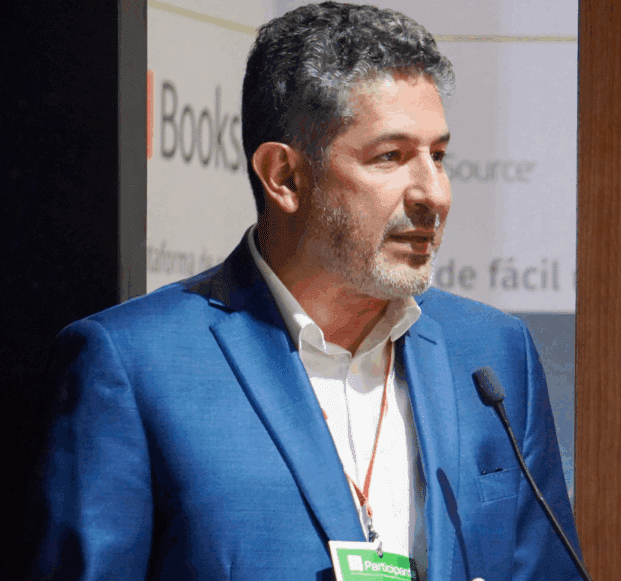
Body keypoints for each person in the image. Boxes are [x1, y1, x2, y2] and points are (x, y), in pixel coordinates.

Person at [29, 3, 582, 580]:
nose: (434, 194)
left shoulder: (493, 355)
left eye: (437, 156)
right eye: (390, 157)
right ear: (285, 177)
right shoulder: (133, 365)